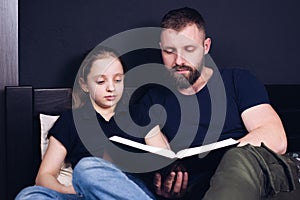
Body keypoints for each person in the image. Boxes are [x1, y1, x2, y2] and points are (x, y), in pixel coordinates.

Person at [129, 7, 300, 200]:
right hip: (200, 187)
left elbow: (275, 137)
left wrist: (218, 156)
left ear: (206, 46)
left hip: (253, 174)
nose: (178, 60)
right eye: (169, 51)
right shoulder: (152, 100)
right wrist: (167, 182)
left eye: (189, 49)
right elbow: (160, 155)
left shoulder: (237, 81)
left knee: (236, 157)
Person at [15, 46, 164, 200]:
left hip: (130, 189)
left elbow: (163, 160)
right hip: (85, 193)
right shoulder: (71, 121)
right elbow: (44, 175)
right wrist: (72, 190)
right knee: (29, 195)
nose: (111, 88)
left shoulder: (140, 114)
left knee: (87, 168)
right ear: (85, 84)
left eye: (118, 80)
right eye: (101, 81)